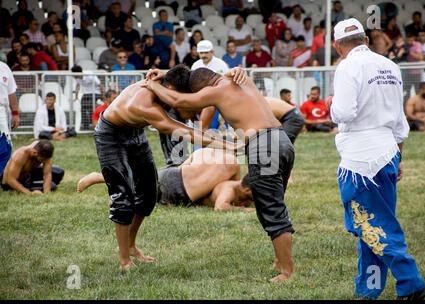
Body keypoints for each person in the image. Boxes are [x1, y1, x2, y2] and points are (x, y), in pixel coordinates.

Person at [142, 67, 296, 283]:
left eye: (200, 94)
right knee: (269, 204)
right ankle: (281, 261)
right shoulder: (241, 80)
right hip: (282, 140)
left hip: (264, 147)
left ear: (203, 88)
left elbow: (179, 101)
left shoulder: (215, 90)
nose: (203, 101)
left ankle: (287, 272)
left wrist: (152, 84)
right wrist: (168, 74)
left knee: (271, 208)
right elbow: (198, 74)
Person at [94, 64, 244, 271]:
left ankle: (131, 246)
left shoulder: (165, 82)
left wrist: (229, 74)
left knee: (148, 193)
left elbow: (189, 76)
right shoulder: (145, 106)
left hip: (135, 133)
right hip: (111, 136)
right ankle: (124, 260)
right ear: (172, 93)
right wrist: (230, 146)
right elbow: (186, 132)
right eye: (185, 102)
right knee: (124, 197)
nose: (191, 111)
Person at [330, 18, 425, 300]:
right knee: (373, 225)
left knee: (372, 225)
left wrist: (330, 105)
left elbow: (344, 112)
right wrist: (399, 158)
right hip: (388, 151)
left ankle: (411, 283)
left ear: (338, 46)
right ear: (365, 39)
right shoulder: (390, 65)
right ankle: (369, 290)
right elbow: (399, 122)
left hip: (360, 160)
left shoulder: (347, 66)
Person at [77, 148, 253, 211]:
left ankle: (104, 180)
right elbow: (227, 189)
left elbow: (186, 164)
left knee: (140, 179)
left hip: (174, 174)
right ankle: (102, 180)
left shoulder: (207, 152)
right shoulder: (234, 167)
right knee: (143, 194)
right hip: (181, 192)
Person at [0, 61, 19, 175]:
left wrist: (15, 113)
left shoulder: (4, 68)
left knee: (5, 145)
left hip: (2, 110)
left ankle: (3, 175)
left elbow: (11, 93)